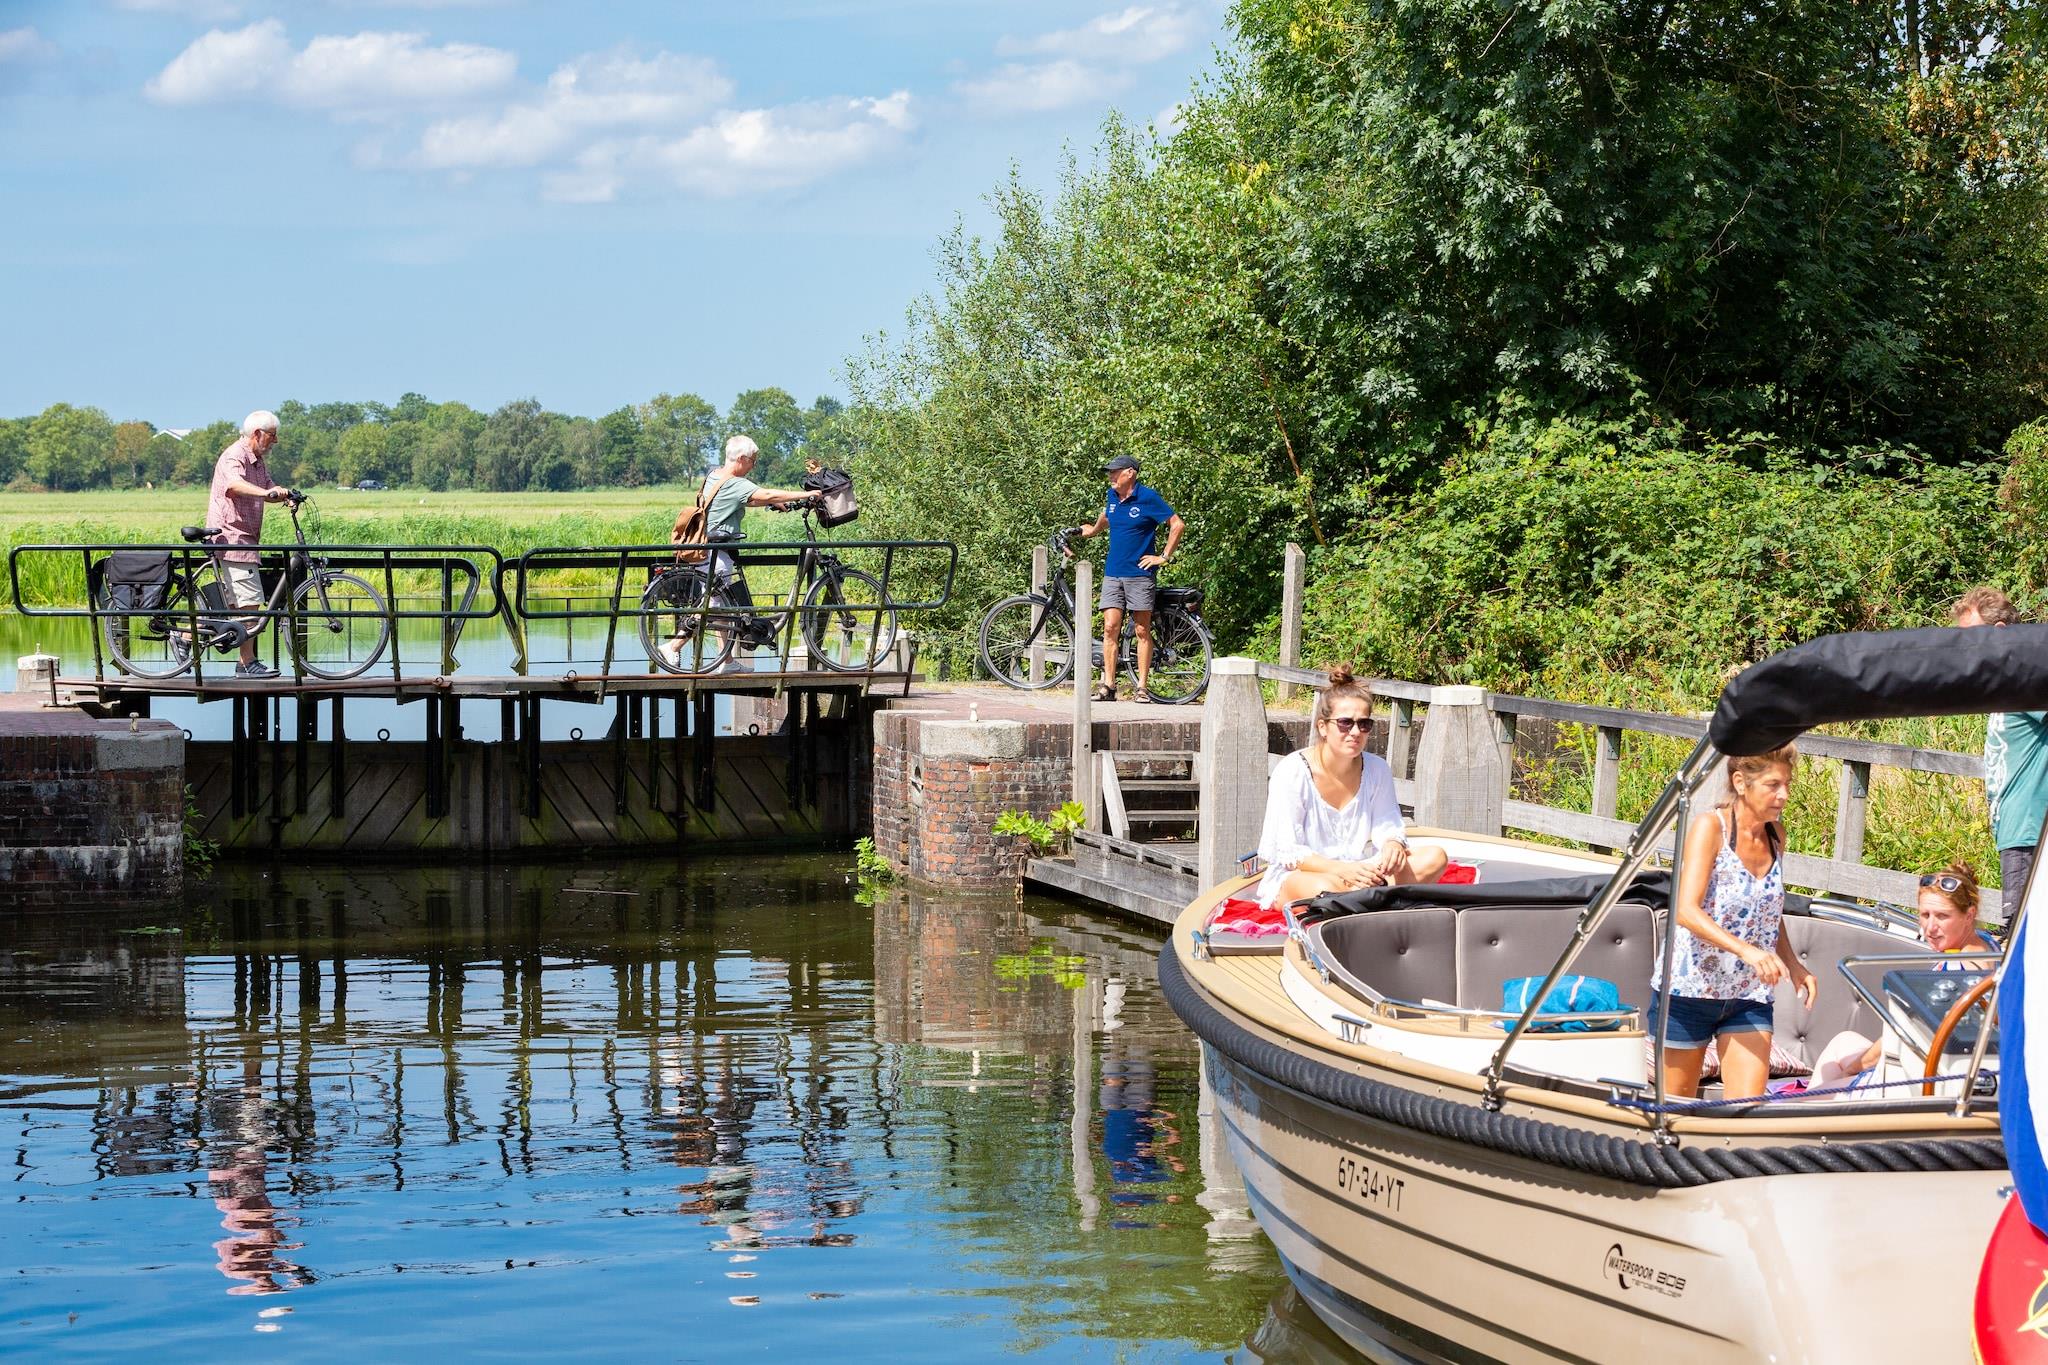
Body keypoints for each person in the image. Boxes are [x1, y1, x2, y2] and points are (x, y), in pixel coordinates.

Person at [1652, 747, 1817, 1100]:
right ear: (1741, 783)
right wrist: (1748, 951)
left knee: (1745, 1111)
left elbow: (1767, 912)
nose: (1784, 795)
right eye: (1773, 785)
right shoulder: (1710, 827)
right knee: (1676, 1113)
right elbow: (1685, 909)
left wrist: (1793, 964)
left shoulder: (1776, 835)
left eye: (1787, 784)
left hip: (1747, 994)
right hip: (1691, 990)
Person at [1253, 666, 1448, 908]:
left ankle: (1359, 899)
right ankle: (1370, 898)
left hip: (1361, 869)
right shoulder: (1292, 771)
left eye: (1364, 724)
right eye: (1345, 723)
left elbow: (1387, 824)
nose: (1355, 732)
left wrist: (1393, 845)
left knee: (1434, 857)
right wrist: (1342, 870)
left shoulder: (1377, 768)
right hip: (1308, 874)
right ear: (1322, 726)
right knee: (1322, 888)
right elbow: (1288, 851)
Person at [1807, 861, 2000, 1090]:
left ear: (1969, 915)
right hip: (1928, 1065)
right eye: (1925, 915)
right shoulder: (1985, 944)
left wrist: (1852, 1070)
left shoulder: (1958, 972)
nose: (1930, 927)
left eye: (1942, 916)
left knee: (1809, 1098)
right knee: (1843, 1042)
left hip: (1920, 1079)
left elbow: (1901, 1032)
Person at [660, 434, 815, 670]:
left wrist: (771, 503)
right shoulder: (734, 483)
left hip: (708, 549)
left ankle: (727, 662)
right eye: (752, 460)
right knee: (713, 606)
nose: (753, 465)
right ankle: (673, 647)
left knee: (721, 605)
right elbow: (766, 494)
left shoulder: (714, 475)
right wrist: (807, 494)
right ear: (742, 458)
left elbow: (747, 499)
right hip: (716, 553)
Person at [1952, 586, 2048, 911]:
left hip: (2029, 830)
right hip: (2016, 831)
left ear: (2000, 632)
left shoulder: (2022, 677)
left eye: (1970, 637)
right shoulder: (2008, 680)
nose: (1963, 648)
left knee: (2019, 928)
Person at [1074, 454, 1183, 703]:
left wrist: (1163, 557)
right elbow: (1106, 518)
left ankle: (1142, 687)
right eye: (1110, 472)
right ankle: (1108, 686)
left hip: (1139, 574)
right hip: (1113, 572)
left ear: (1130, 473)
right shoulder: (1112, 496)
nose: (1110, 476)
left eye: (1115, 471)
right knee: (1110, 627)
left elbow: (1177, 524)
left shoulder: (1148, 497)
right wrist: (1090, 530)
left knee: (1142, 629)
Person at [205, 410, 294, 679]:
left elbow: (268, 486)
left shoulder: (257, 462)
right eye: (272, 435)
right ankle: (246, 663)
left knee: (233, 606)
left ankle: (185, 636)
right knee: (250, 604)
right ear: (257, 434)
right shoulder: (235, 455)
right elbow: (234, 484)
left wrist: (285, 494)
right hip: (233, 538)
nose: (275, 441)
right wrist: (266, 492)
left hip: (247, 540)